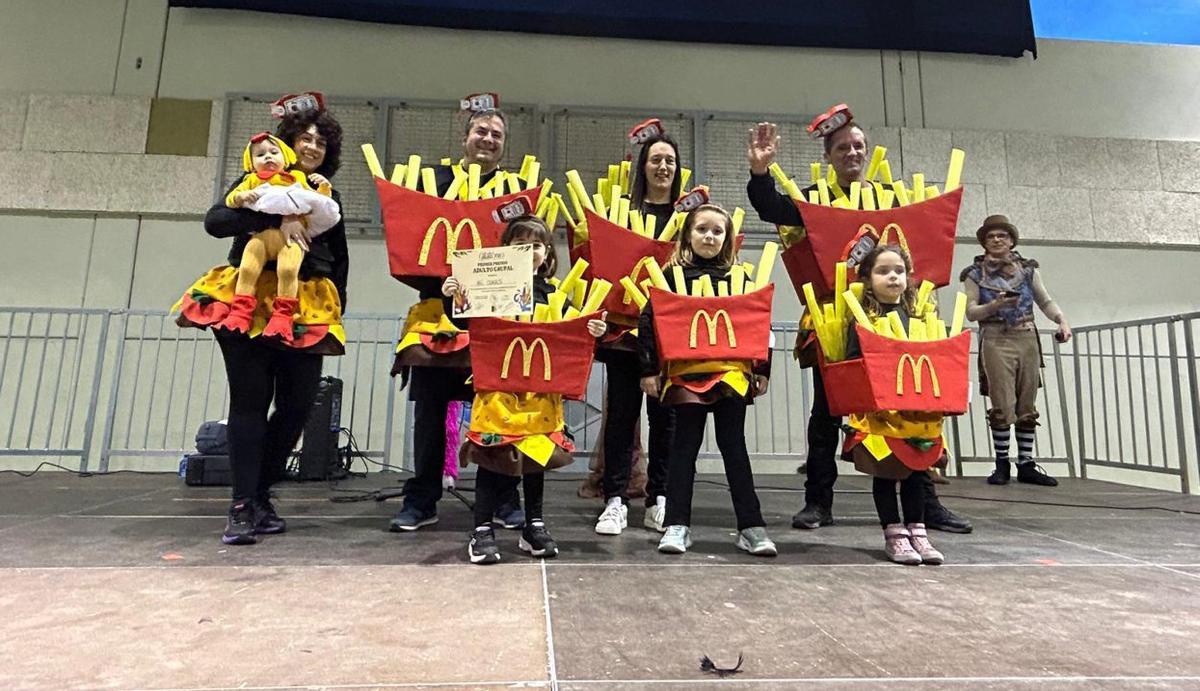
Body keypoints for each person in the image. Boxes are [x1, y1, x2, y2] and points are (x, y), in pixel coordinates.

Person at [746, 118, 973, 534]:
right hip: (835, 322)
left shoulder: (890, 197)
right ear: (828, 157)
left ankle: (927, 505)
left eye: (858, 146)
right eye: (841, 148)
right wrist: (760, 171)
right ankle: (818, 502)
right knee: (826, 414)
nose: (852, 153)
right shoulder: (812, 198)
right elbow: (770, 207)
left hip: (896, 322)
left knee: (914, 408)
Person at [180, 104, 349, 545]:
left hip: (307, 304)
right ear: (286, 143)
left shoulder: (325, 194)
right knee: (250, 400)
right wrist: (276, 216)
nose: (312, 146)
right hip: (249, 298)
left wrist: (338, 308)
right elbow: (216, 221)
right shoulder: (257, 180)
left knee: (299, 403)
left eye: (320, 141)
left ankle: (259, 491)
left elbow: (341, 257)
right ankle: (242, 504)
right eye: (305, 138)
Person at [389, 107, 524, 531]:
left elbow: (526, 250)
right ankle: (423, 498)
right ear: (465, 136)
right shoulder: (434, 183)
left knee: (500, 408)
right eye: (481, 131)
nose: (488, 139)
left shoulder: (517, 192)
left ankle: (502, 498)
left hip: (494, 316)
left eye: (497, 135)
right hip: (437, 312)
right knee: (429, 408)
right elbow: (409, 244)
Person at [446, 216, 606, 563]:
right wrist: (453, 297)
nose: (528, 251)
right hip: (497, 393)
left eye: (535, 245)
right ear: (504, 250)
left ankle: (533, 524)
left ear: (546, 254)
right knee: (491, 460)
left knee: (536, 461)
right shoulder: (490, 284)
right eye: (519, 243)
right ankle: (482, 529)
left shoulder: (557, 294)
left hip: (541, 396)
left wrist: (592, 328)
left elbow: (572, 337)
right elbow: (462, 320)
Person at [638, 203, 777, 557]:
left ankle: (751, 526)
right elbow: (648, 324)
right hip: (686, 375)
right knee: (683, 448)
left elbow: (762, 326)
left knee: (735, 448)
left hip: (731, 373)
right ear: (688, 236)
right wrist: (648, 370)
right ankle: (676, 525)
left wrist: (762, 369)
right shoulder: (668, 278)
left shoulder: (744, 278)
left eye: (718, 231)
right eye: (702, 229)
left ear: (728, 239)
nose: (710, 236)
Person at [592, 132, 682, 535]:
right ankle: (615, 500)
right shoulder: (618, 212)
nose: (663, 167)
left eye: (669, 160)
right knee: (622, 418)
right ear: (642, 167)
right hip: (625, 333)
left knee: (667, 420)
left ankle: (659, 498)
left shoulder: (686, 219)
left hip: (670, 335)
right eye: (655, 159)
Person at [842, 245, 945, 565]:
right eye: (883, 271)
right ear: (867, 279)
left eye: (899, 271)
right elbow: (851, 363)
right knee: (886, 474)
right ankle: (894, 534)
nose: (893, 277)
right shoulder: (861, 321)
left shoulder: (920, 318)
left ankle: (919, 531)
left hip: (916, 414)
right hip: (880, 416)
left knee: (917, 472)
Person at [961, 214, 1070, 487]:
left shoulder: (1028, 270)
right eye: (991, 236)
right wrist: (994, 307)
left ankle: (1026, 463)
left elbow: (1045, 300)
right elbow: (971, 312)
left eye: (1002, 235)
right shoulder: (974, 274)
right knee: (1002, 401)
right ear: (984, 243)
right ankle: (1001, 464)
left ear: (1011, 240)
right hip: (996, 338)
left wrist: (1061, 320)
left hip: (1026, 336)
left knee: (1027, 401)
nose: (997, 240)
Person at [217, 132, 340, 341]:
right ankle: (240, 312)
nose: (268, 158)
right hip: (260, 249)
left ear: (284, 155)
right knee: (248, 267)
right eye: (261, 154)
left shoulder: (297, 179)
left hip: (303, 273)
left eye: (274, 152)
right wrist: (279, 218)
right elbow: (218, 218)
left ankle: (283, 315)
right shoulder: (249, 180)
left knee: (288, 269)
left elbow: (320, 205)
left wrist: (324, 188)